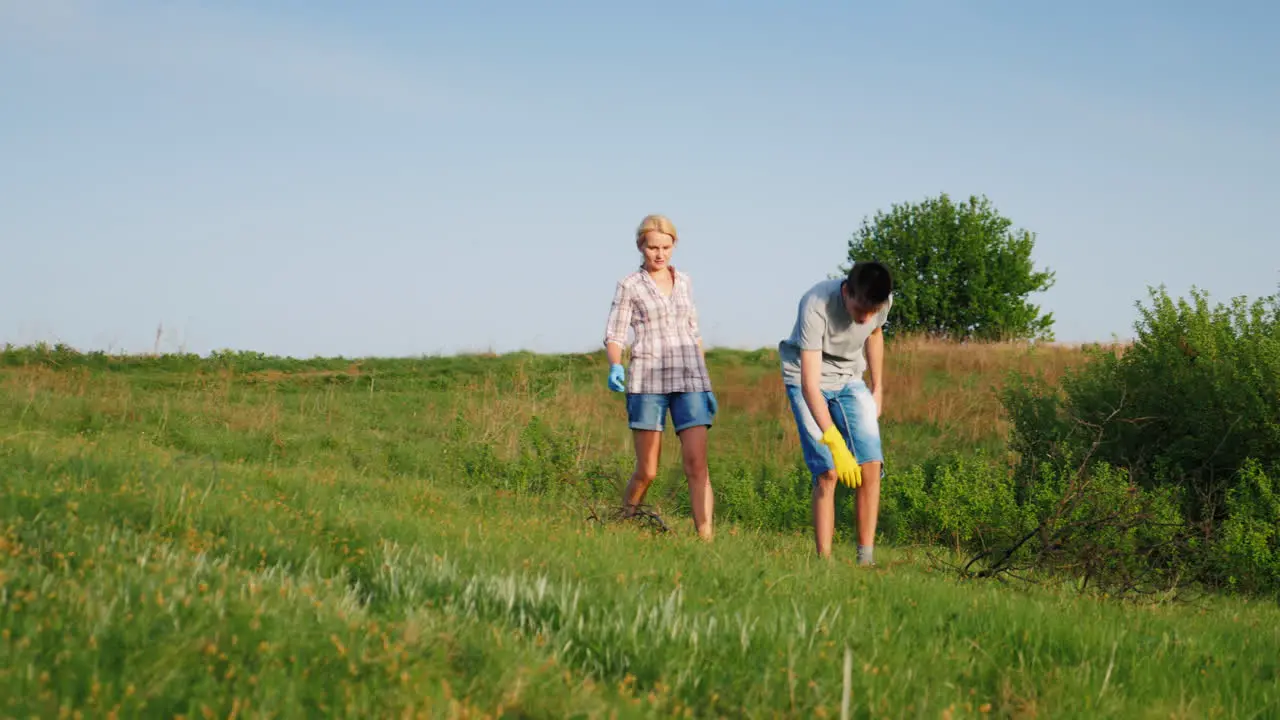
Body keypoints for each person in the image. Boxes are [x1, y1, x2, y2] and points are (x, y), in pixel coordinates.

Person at [603, 214, 717, 540]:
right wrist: (615, 365)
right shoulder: (630, 285)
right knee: (648, 470)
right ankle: (625, 520)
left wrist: (706, 382)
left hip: (690, 380)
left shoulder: (685, 281)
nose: (659, 254)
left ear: (674, 245)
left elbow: (693, 332)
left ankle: (705, 539)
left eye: (665, 247)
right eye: (653, 247)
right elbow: (615, 334)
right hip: (647, 381)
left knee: (697, 465)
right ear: (641, 246)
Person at [779, 260, 893, 564]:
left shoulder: (882, 301)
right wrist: (834, 441)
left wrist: (878, 387)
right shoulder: (816, 304)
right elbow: (810, 386)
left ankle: (865, 560)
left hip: (850, 379)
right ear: (847, 292)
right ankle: (824, 562)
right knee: (828, 472)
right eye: (860, 310)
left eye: (872, 311)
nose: (865, 317)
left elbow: (875, 334)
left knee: (871, 464)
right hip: (806, 376)